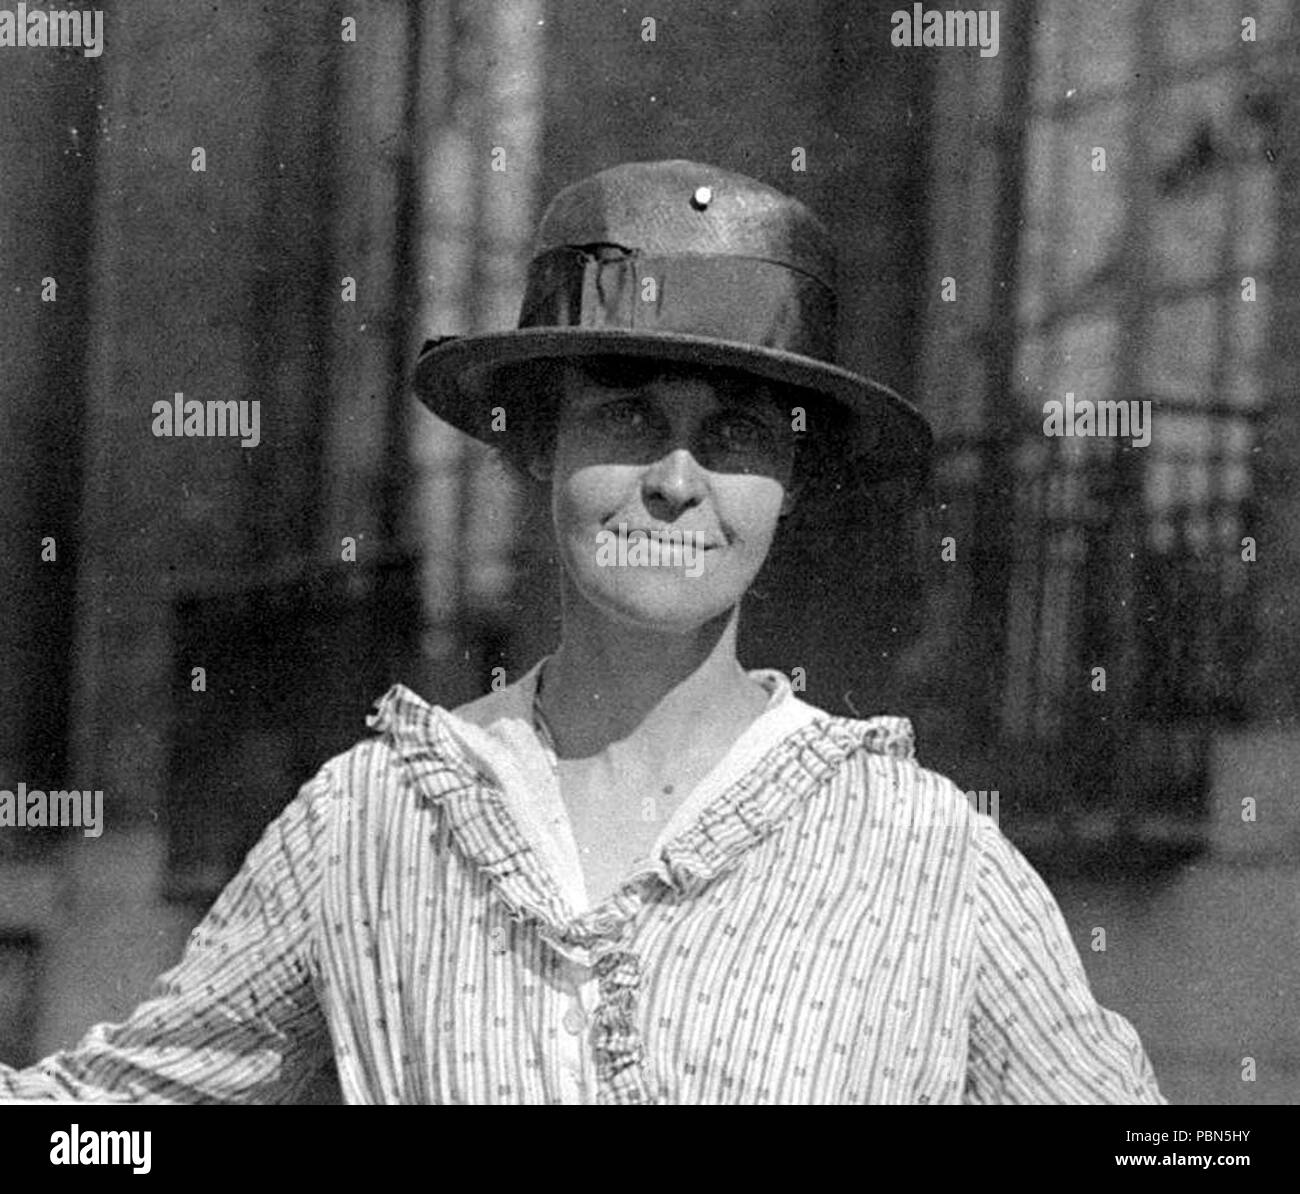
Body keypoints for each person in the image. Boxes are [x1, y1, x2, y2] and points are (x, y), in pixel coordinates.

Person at [0, 160, 1165, 1104]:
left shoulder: (923, 858)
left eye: (737, 435)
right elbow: (110, 1127)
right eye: (625, 416)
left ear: (789, 485)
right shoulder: (379, 821)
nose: (674, 478)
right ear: (529, 451)